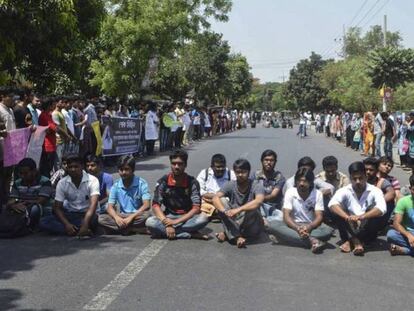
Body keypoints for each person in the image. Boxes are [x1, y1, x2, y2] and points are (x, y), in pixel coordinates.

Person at [145, 149, 209, 240]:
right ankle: (189, 234)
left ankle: (164, 232)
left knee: (204, 218)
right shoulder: (163, 181)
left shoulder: (192, 182)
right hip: (168, 216)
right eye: (174, 163)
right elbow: (155, 205)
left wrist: (174, 223)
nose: (176, 167)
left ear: (185, 165)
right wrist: (166, 222)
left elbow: (196, 208)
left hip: (187, 217)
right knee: (149, 222)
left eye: (180, 164)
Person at [268, 167, 333, 253]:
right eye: (299, 181)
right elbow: (286, 216)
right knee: (273, 225)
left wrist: (309, 227)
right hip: (293, 225)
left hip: (312, 227)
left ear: (310, 182)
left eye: (305, 181)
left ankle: (287, 238)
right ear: (296, 182)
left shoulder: (317, 194)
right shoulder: (290, 192)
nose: (301, 184)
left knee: (328, 231)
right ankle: (312, 240)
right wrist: (297, 228)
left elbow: (319, 217)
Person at [328, 162, 387, 255]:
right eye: (354, 179)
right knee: (336, 209)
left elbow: (382, 208)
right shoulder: (345, 190)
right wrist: (347, 217)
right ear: (350, 178)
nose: (358, 181)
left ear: (366, 177)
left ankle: (350, 241)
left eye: (360, 178)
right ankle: (356, 242)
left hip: (366, 228)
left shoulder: (375, 190)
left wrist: (362, 217)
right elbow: (332, 204)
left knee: (374, 209)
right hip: (349, 224)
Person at [39, 154, 100, 236]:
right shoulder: (62, 183)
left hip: (88, 215)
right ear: (67, 168)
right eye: (70, 167)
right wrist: (67, 224)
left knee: (94, 221)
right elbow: (57, 207)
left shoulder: (93, 180)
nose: (73, 169)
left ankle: (76, 230)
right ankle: (77, 230)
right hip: (71, 214)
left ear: (82, 166)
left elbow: (93, 205)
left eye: (76, 166)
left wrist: (85, 224)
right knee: (43, 221)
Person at [213, 159, 265, 248]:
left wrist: (238, 209)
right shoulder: (231, 184)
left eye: (243, 172)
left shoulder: (256, 185)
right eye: (237, 172)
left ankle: (228, 233)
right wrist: (224, 211)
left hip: (251, 224)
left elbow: (258, 201)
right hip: (234, 218)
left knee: (252, 208)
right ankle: (237, 237)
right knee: (221, 201)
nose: (240, 175)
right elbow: (215, 197)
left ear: (248, 172)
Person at [98, 155, 151, 235]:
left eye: (126, 169)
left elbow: (146, 205)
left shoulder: (142, 183)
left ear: (133, 170)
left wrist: (131, 217)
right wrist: (116, 218)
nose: (123, 173)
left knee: (147, 216)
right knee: (101, 219)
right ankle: (133, 229)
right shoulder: (116, 185)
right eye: (121, 170)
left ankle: (123, 228)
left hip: (137, 215)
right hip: (122, 216)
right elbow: (110, 207)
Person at [6, 158, 53, 229]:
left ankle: (29, 226)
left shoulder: (45, 181)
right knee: (8, 208)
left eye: (25, 173)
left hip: (42, 208)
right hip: (23, 206)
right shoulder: (17, 183)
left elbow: (40, 201)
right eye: (20, 173)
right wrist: (13, 205)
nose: (22, 176)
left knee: (34, 209)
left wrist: (23, 203)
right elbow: (11, 200)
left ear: (34, 171)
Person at [251, 150, 285, 226]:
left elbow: (273, 195)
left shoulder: (279, 177)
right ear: (262, 161)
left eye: (271, 160)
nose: (269, 163)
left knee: (282, 217)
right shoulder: (255, 175)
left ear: (275, 162)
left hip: (272, 207)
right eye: (266, 160)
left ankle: (262, 221)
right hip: (257, 206)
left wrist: (259, 198)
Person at [386, 175, 414, 256]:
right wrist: (409, 235)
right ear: (410, 188)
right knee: (391, 234)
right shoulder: (403, 201)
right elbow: (396, 223)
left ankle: (405, 250)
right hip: (408, 233)